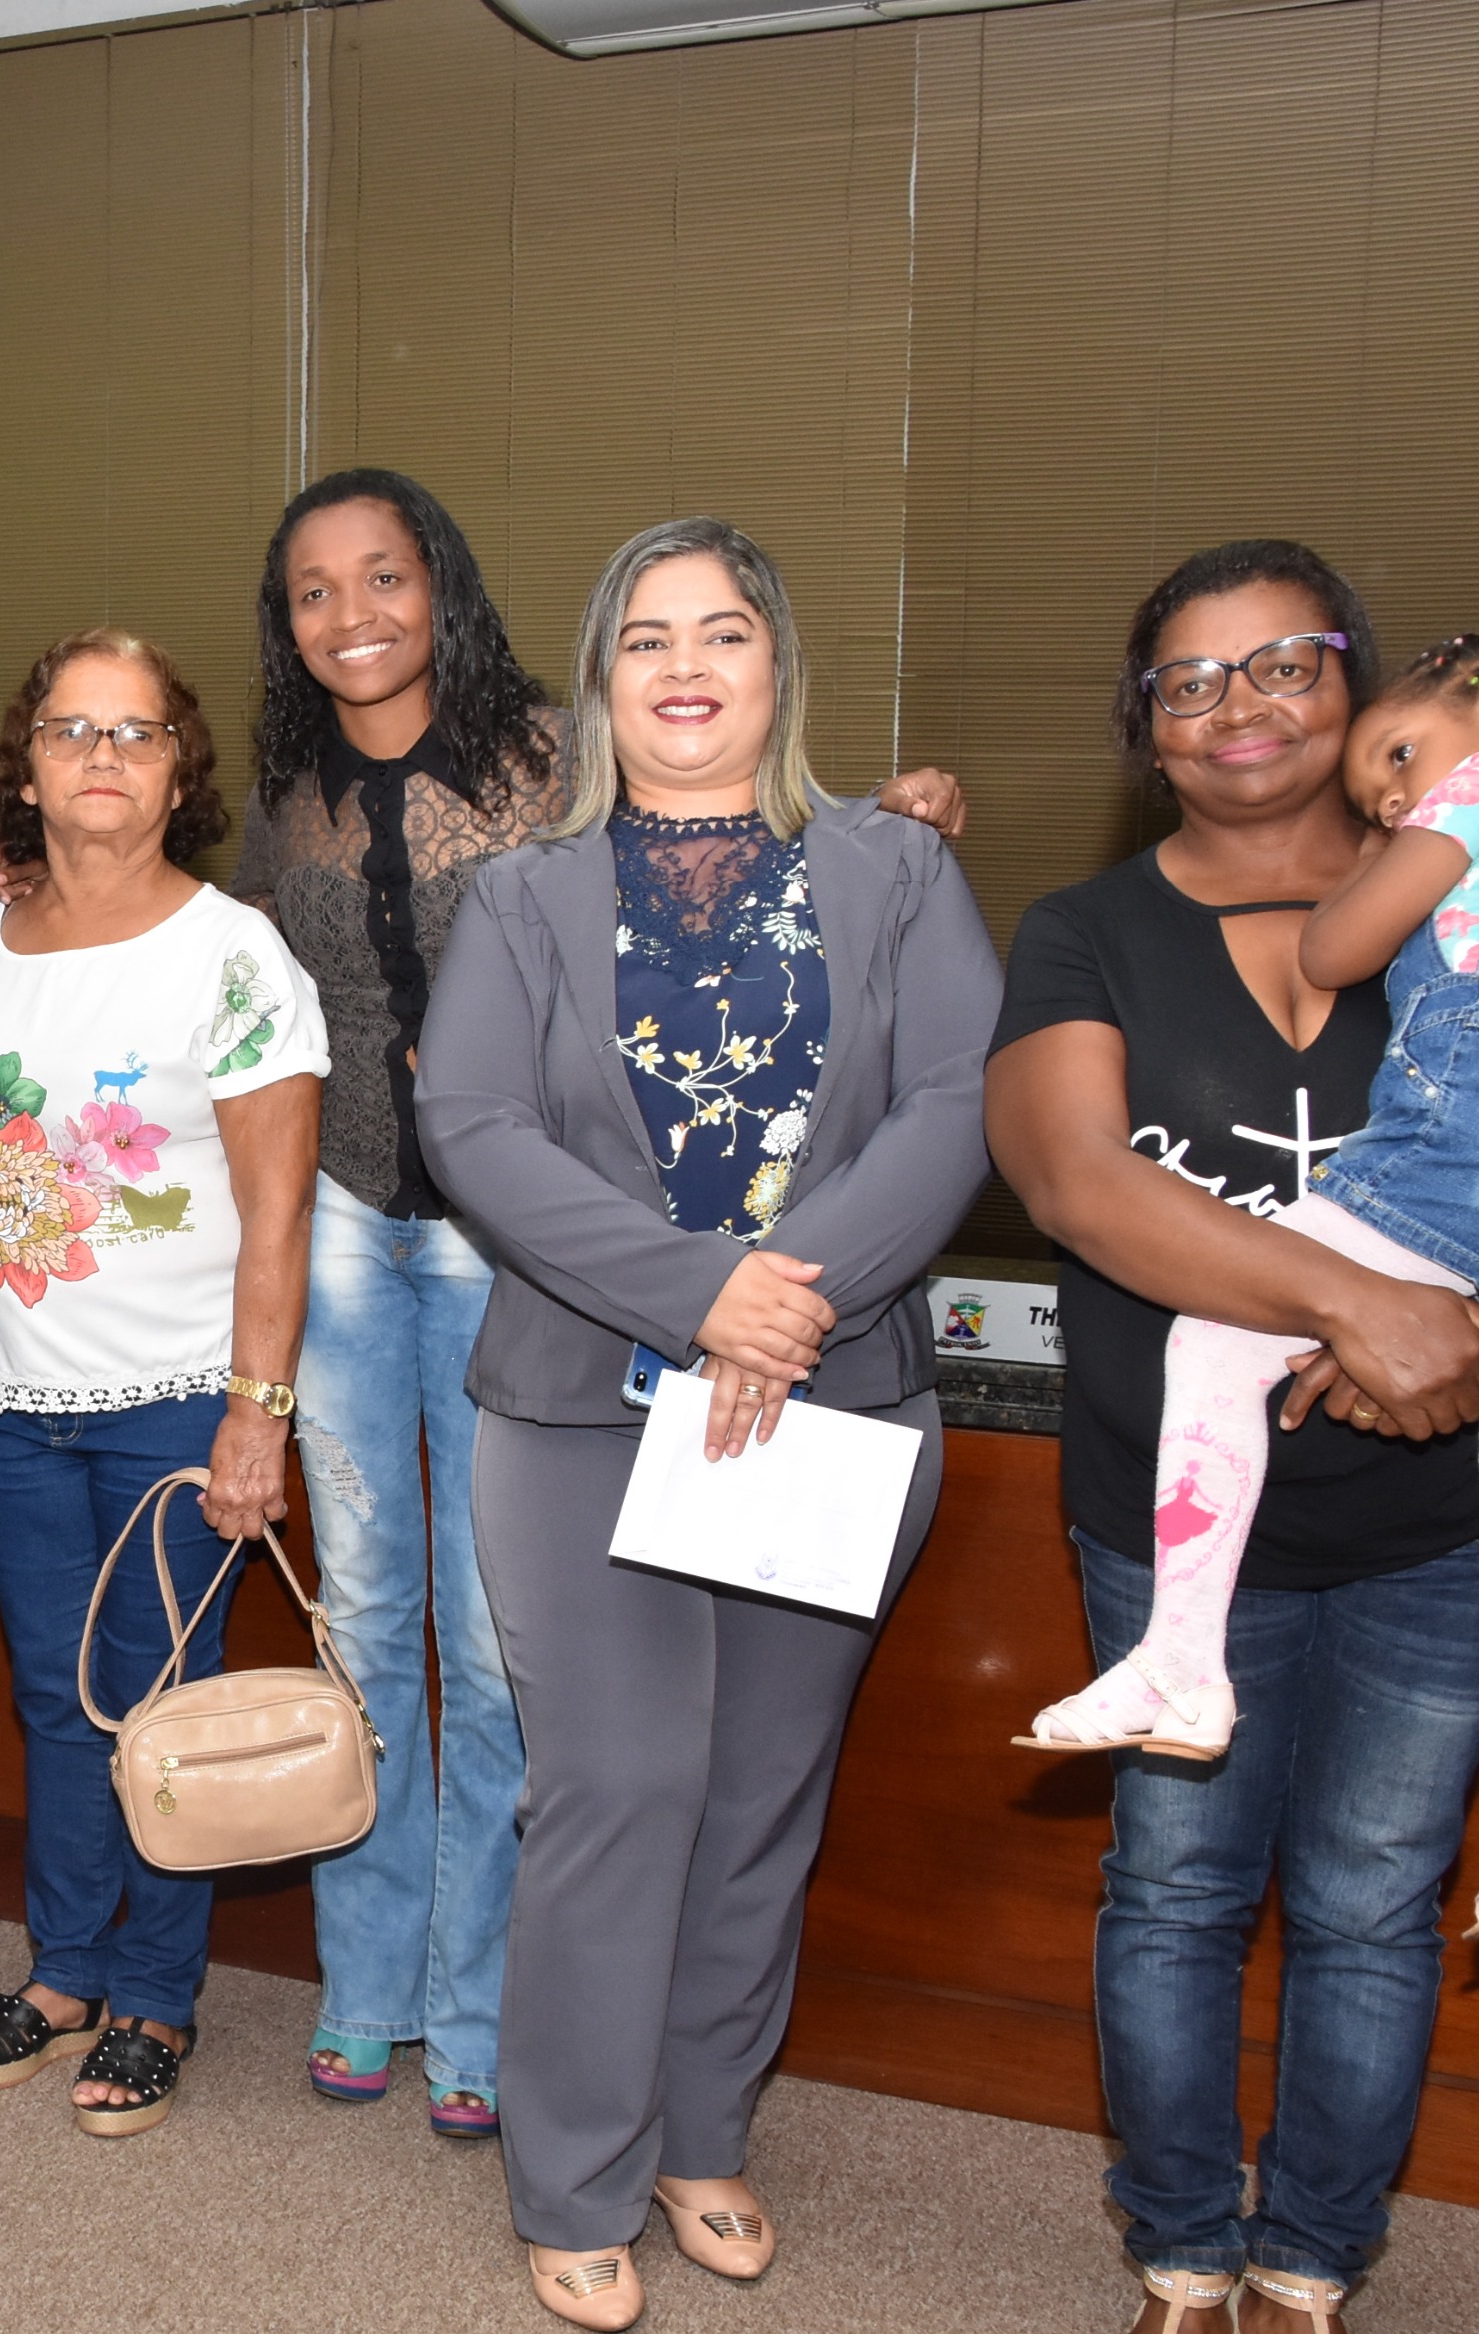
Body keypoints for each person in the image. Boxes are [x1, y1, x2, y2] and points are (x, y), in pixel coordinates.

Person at [985, 541, 1479, 2334]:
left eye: (1283, 663)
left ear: (1362, 687)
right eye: (1188, 681)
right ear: (1144, 730)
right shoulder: (1087, 929)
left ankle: (1307, 2269)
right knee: (1174, 1889)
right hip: (1172, 1521)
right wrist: (1357, 1304)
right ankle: (1179, 2254)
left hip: (1435, 1531)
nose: (1239, 707)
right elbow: (1076, 1182)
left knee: (1374, 1903)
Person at [224, 472, 977, 2139]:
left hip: (532, 1258)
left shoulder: (556, 754)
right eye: (311, 589)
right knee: (369, 1622)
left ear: (447, 584)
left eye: (384, 575)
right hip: (355, 1225)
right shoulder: (281, 796)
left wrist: (900, 807)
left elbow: (753, 844)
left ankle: (483, 2013)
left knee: (513, 1673)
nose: (351, 613)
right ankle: (371, 1980)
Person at [416, 518, 997, 2333]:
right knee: (618, 1784)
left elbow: (958, 1100)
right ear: (603, 682)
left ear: (776, 664)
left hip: (832, 1397)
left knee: (756, 1793)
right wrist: (697, 1295)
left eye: (723, 630)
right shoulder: (520, 897)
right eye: (647, 636)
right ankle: (575, 2169)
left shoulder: (898, 869)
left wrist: (784, 1296)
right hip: (583, 1405)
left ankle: (700, 2131)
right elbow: (473, 1128)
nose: (685, 664)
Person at [1024, 632, 1479, 1938]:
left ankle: (1180, 1659)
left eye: (1397, 759)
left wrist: (1382, 865)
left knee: (1215, 1341)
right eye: (1381, 792)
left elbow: (1333, 951)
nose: (1392, 801)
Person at [0, 629, 327, 2138]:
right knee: (56, 1700)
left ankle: (156, 1996)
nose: (100, 755)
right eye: (70, 729)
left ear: (179, 772)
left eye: (135, 732)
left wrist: (256, 1416)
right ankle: (64, 1974)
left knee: (159, 1707)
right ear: (27, 766)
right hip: (4, 1395)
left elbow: (277, 1214)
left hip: (173, 1402)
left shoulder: (234, 956)